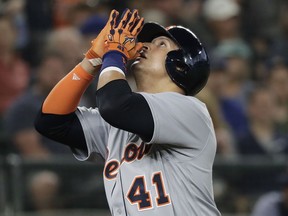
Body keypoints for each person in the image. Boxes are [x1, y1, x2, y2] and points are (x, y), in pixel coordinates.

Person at [35, 9, 221, 215]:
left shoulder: (191, 111)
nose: (146, 45)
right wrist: (92, 60)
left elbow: (115, 105)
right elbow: (51, 122)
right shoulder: (120, 120)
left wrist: (115, 53)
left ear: (180, 65)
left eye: (161, 44)